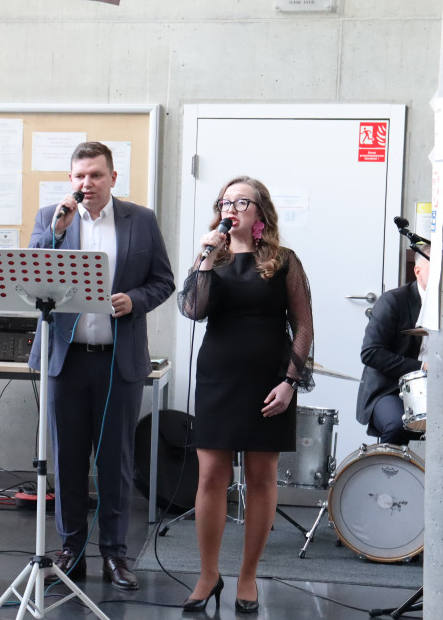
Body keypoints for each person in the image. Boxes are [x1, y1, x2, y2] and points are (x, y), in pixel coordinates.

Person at [28, 141, 175, 590]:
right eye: (79, 176)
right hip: (66, 359)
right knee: (67, 461)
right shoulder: (52, 217)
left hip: (118, 362)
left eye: (95, 175)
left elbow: (163, 281)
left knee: (116, 463)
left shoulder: (140, 220)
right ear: (70, 180)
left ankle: (115, 553)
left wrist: (135, 300)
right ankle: (71, 551)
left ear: (113, 177)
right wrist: (55, 231)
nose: (86, 183)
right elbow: (30, 273)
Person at [178, 176, 314, 613]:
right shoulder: (210, 258)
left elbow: (303, 327)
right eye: (225, 202)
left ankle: (248, 576)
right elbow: (193, 310)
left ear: (260, 212)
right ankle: (208, 574)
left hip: (268, 381)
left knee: (260, 478)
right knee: (210, 477)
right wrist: (203, 260)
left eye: (241, 202)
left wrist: (290, 382)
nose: (231, 209)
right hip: (218, 379)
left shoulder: (283, 261)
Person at [355, 250, 429, 445]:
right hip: (389, 388)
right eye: (436, 269)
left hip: (437, 388)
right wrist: (422, 367)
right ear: (418, 271)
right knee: (397, 425)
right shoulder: (393, 301)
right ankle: (385, 464)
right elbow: (371, 353)